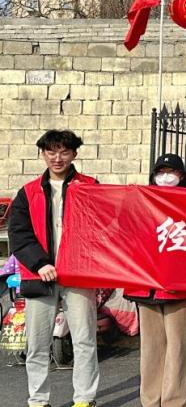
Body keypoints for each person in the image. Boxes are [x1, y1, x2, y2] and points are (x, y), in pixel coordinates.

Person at [8, 130, 99, 407]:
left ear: (74, 154)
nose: (57, 158)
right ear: (43, 154)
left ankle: (84, 398)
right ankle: (38, 399)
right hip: (39, 276)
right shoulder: (28, 192)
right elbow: (19, 234)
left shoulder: (91, 187)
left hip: (79, 275)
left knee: (84, 340)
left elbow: (103, 227)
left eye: (64, 152)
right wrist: (40, 263)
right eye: (51, 151)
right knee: (37, 343)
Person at [124, 154, 186, 407]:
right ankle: (150, 400)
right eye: (161, 172)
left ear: (182, 176)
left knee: (178, 348)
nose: (166, 177)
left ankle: (174, 402)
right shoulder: (141, 201)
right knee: (151, 348)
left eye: (172, 172)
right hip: (146, 287)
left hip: (180, 288)